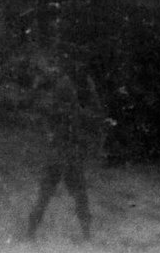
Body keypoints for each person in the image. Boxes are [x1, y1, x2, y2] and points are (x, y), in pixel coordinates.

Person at [25, 52, 105, 242]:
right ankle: (86, 235)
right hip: (70, 154)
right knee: (78, 196)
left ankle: (30, 233)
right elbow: (93, 116)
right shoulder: (74, 103)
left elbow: (42, 114)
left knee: (45, 195)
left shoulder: (55, 100)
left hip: (58, 153)